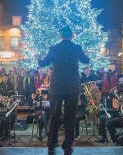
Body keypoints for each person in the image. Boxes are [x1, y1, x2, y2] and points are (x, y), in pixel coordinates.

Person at [38, 25, 90, 155]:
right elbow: (86, 60)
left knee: (54, 115)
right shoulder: (76, 48)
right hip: (72, 87)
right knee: (70, 117)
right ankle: (67, 145)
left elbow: (43, 63)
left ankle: (51, 143)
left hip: (57, 87)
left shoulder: (54, 48)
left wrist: (38, 57)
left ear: (61, 35)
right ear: (71, 35)